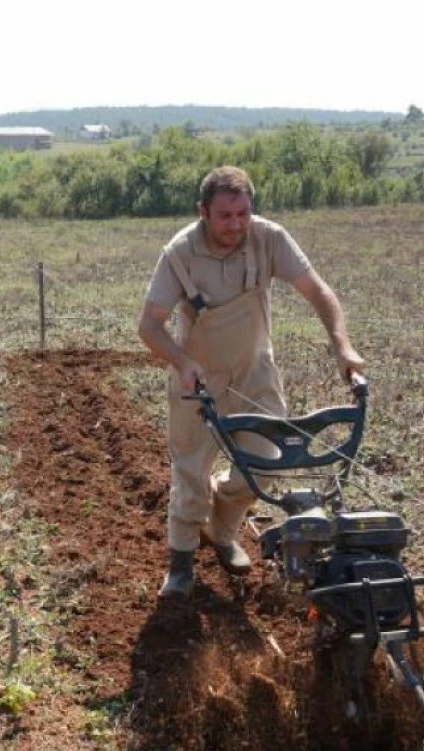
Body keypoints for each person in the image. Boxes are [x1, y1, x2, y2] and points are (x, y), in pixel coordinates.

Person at [139, 166, 367, 598]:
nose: (236, 225)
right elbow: (150, 326)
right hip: (197, 378)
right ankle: (181, 565)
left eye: (243, 213)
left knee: (262, 465)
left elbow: (318, 291)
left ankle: (221, 533)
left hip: (254, 373)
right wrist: (182, 360)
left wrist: (343, 346)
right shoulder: (180, 253)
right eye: (225, 215)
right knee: (190, 472)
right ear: (203, 212)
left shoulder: (269, 239)